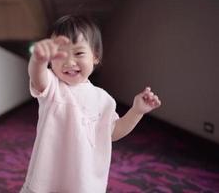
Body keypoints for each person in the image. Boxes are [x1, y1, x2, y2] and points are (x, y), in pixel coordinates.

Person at [21, 14, 161, 193]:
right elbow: (37, 75)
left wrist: (137, 111)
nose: (69, 62)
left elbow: (113, 132)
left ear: (95, 56)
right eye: (59, 55)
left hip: (83, 181)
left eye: (79, 53)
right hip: (48, 177)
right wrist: (38, 60)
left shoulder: (103, 100)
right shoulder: (52, 85)